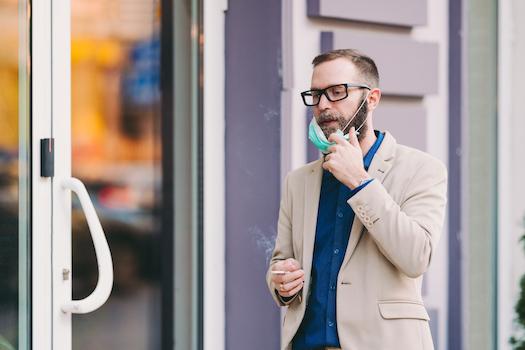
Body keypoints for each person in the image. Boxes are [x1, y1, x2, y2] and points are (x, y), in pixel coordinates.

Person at [266, 49, 447, 350]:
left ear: (372, 98)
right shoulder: (298, 181)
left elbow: (416, 257)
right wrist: (281, 283)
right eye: (316, 94)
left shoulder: (422, 169)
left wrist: (360, 182)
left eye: (337, 92)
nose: (323, 105)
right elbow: (280, 262)